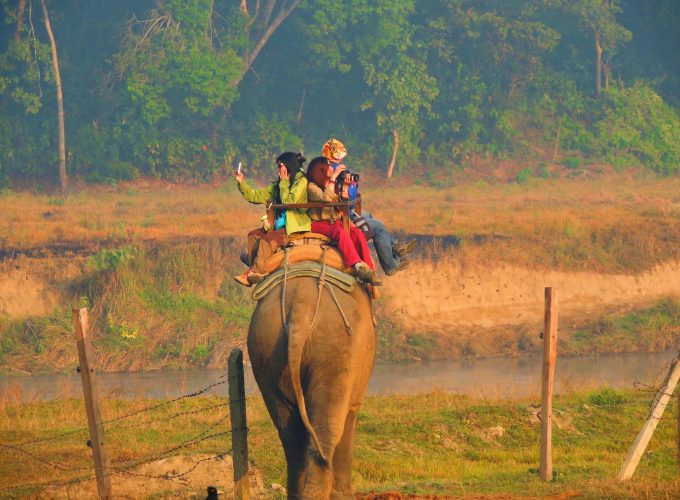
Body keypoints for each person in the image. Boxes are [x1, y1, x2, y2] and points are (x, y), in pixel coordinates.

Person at [321, 138, 416, 276]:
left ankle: (395, 245)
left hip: (340, 211)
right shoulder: (333, 173)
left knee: (368, 215)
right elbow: (346, 198)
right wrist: (349, 186)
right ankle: (391, 265)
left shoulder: (321, 170)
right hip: (339, 216)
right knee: (379, 227)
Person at [233, 152, 310, 286]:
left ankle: (254, 272)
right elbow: (255, 196)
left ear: (288, 166)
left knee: (266, 241)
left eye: (280, 166)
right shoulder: (278, 185)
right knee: (253, 235)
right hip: (278, 225)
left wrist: (284, 183)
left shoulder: (302, 182)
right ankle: (254, 267)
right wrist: (241, 183)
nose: (278, 169)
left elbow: (289, 202)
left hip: (294, 226)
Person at [306, 157, 382, 286]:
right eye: (328, 166)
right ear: (320, 170)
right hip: (318, 223)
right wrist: (334, 177)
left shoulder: (331, 184)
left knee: (357, 233)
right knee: (340, 232)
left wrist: (345, 188)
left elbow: (341, 205)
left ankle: (369, 271)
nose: (332, 168)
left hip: (334, 221)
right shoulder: (312, 187)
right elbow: (327, 199)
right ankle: (357, 265)